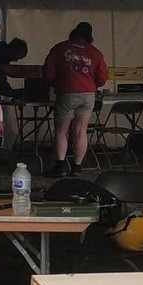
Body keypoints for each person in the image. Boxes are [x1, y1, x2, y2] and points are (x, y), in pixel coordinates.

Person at [43, 21, 109, 176]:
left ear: (73, 32)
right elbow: (101, 79)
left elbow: (48, 73)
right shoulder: (95, 53)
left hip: (66, 92)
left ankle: (60, 166)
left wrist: (56, 83)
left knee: (61, 131)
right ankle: (77, 168)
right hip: (88, 94)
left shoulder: (59, 48)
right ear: (89, 36)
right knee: (80, 131)